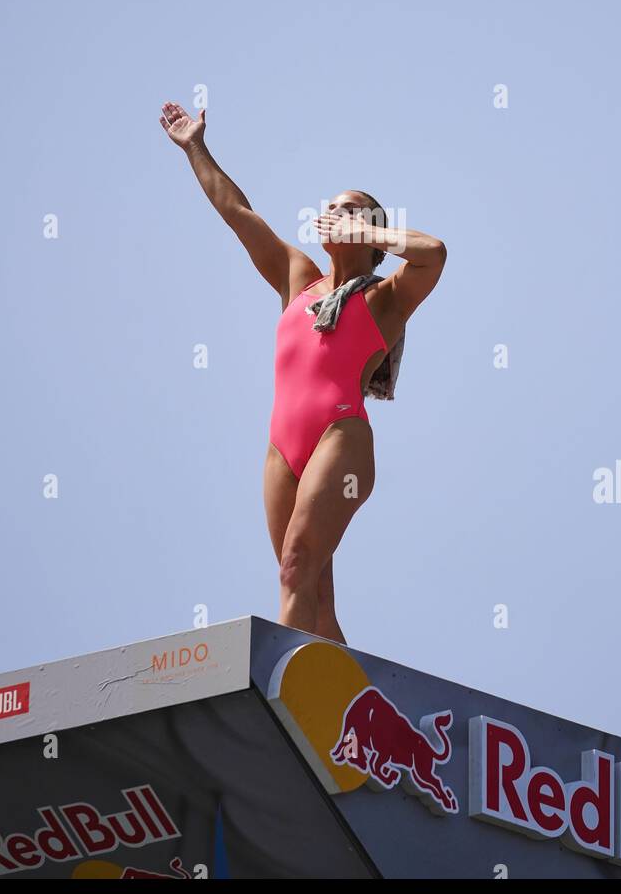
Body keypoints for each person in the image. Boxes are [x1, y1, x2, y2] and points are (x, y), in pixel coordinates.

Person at [160, 101, 446, 644]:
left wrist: (368, 234)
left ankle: (275, 695)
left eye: (351, 211)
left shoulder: (385, 300)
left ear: (371, 232)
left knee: (297, 564)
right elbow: (237, 212)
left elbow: (433, 253)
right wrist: (194, 145)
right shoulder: (299, 279)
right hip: (281, 447)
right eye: (332, 207)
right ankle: (339, 711)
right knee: (309, 593)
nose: (335, 214)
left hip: (342, 436)